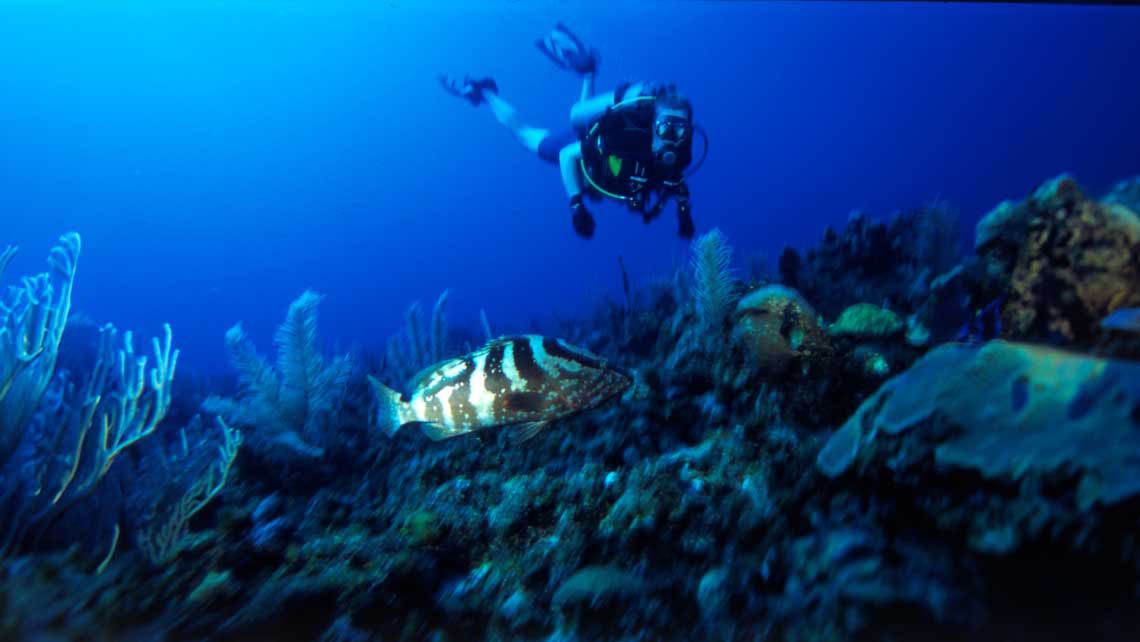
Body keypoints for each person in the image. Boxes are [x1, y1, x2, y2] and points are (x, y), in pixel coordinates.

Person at [440, 23, 698, 240]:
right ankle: (484, 91)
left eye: (680, 131)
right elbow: (567, 155)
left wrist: (684, 214)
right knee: (526, 135)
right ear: (653, 124)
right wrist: (576, 206)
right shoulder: (625, 140)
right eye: (665, 128)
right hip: (583, 149)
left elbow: (676, 182)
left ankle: (588, 74)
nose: (671, 140)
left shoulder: (678, 155)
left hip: (596, 143)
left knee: (583, 124)